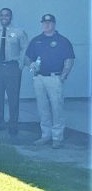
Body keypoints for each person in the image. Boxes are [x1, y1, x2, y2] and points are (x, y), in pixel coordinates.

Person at [26, 14, 75, 149]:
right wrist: (31, 65)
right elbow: (28, 58)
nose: (46, 25)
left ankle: (57, 137)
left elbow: (69, 59)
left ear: (54, 24)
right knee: (43, 108)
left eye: (49, 22)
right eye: (44, 22)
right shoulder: (36, 40)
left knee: (57, 108)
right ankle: (45, 135)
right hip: (39, 78)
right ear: (41, 24)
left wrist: (63, 76)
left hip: (55, 78)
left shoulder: (62, 41)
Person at [0, 8, 28, 136]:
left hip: (12, 67)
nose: (4, 17)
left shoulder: (19, 32)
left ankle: (13, 124)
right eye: (2, 15)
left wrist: (20, 65)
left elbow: (25, 48)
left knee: (13, 97)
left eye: (7, 15)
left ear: (11, 17)